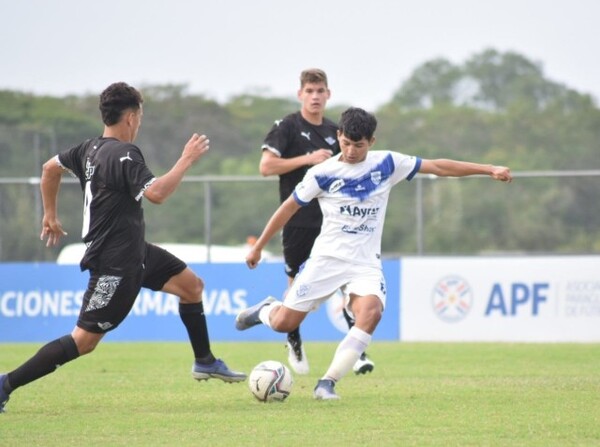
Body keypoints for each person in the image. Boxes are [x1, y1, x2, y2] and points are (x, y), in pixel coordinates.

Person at [0, 82, 245, 413]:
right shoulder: (124, 153)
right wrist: (186, 159)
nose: (140, 122)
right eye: (140, 115)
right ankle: (6, 384)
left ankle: (205, 361)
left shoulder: (88, 148)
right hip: (115, 263)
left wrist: (50, 214)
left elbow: (49, 169)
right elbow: (157, 193)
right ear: (131, 117)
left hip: (135, 250)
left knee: (192, 286)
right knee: (83, 342)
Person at [237, 107, 512, 400]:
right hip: (326, 260)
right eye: (346, 143)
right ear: (338, 135)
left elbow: (439, 167)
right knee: (284, 324)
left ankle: (327, 383)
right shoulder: (321, 173)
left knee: (371, 313)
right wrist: (258, 246)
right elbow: (288, 208)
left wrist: (488, 168)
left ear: (372, 141)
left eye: (360, 145)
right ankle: (265, 309)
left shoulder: (388, 163)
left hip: (364, 264)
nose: (352, 151)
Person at [258, 68, 374, 375]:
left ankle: (358, 353)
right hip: (297, 221)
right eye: (309, 91)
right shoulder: (286, 126)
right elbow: (266, 166)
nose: (315, 96)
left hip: (333, 222)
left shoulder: (338, 131)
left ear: (328, 94)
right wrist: (307, 159)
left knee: (346, 281)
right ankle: (292, 337)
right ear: (300, 95)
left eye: (320, 91)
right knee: (296, 287)